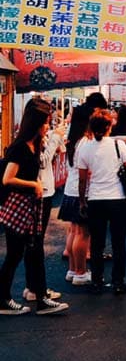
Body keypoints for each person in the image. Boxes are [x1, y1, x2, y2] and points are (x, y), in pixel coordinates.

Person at [0, 97, 69, 315]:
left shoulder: (34, 144)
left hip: (30, 205)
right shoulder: (20, 147)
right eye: (46, 123)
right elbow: (7, 178)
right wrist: (33, 184)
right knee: (16, 254)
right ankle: (9, 299)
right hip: (18, 206)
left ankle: (39, 298)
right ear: (36, 124)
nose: (48, 126)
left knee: (31, 250)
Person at [78, 109, 126, 295]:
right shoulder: (118, 146)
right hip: (118, 201)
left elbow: (82, 180)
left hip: (96, 201)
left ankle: (97, 281)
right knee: (118, 242)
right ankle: (118, 281)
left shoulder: (85, 148)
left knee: (97, 244)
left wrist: (82, 201)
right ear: (109, 127)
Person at [22, 105, 67, 302]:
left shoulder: (35, 138)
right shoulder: (27, 140)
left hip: (44, 191)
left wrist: (54, 142)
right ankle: (37, 290)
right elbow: (41, 162)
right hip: (40, 193)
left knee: (33, 244)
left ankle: (34, 287)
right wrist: (55, 138)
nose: (48, 125)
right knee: (35, 243)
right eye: (46, 121)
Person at [59, 104, 92, 286]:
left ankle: (73, 270)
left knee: (74, 230)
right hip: (81, 193)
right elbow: (86, 173)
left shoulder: (73, 140)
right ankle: (81, 272)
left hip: (69, 191)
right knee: (83, 233)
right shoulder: (85, 142)